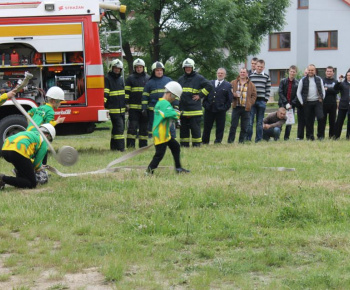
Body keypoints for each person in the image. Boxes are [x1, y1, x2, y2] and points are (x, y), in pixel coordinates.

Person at [146, 81, 189, 175]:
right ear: (170, 94)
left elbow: (167, 114)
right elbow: (171, 114)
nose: (174, 99)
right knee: (159, 155)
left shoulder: (161, 103)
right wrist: (178, 113)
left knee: (176, 146)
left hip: (164, 133)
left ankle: (178, 168)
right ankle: (149, 172)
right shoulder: (164, 103)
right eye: (174, 97)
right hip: (161, 134)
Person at [0, 123, 55, 190]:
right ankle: (2, 178)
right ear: (47, 135)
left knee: (23, 178)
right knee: (31, 184)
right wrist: (39, 169)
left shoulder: (31, 133)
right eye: (49, 139)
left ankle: (5, 181)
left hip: (5, 150)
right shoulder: (44, 140)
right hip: (18, 151)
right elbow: (37, 164)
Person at [178, 58, 213, 147]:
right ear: (184, 68)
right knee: (184, 130)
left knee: (195, 129)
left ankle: (196, 145)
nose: (188, 69)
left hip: (195, 110)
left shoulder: (199, 78)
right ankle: (184, 145)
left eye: (189, 67)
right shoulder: (181, 79)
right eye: (186, 67)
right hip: (184, 110)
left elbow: (209, 86)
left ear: (193, 67)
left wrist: (200, 95)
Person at [142, 61, 174, 138]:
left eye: (161, 70)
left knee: (169, 126)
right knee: (154, 126)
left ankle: (171, 140)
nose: (159, 72)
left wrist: (175, 106)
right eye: (157, 70)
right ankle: (153, 140)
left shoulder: (169, 80)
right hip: (153, 109)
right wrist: (144, 108)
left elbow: (174, 94)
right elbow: (145, 96)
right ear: (153, 71)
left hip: (166, 109)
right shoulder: (149, 82)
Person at [202, 68, 233, 144]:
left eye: (222, 73)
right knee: (207, 126)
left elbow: (229, 99)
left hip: (220, 110)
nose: (220, 74)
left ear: (225, 75)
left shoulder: (228, 85)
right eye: (219, 73)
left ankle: (218, 141)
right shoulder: (210, 83)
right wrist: (205, 105)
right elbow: (205, 95)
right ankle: (205, 141)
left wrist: (224, 108)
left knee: (220, 127)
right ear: (216, 74)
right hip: (209, 109)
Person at [125, 58, 150, 148]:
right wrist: (126, 104)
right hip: (133, 109)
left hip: (144, 108)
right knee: (132, 127)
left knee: (144, 128)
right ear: (134, 68)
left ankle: (143, 146)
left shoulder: (148, 78)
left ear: (143, 68)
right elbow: (127, 93)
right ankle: (130, 146)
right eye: (137, 67)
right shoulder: (130, 78)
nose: (139, 69)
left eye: (140, 67)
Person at [227, 67, 257, 143]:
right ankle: (230, 141)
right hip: (236, 106)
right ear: (239, 73)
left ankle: (241, 141)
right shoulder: (233, 82)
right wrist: (233, 95)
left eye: (244, 72)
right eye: (241, 72)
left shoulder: (251, 84)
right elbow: (228, 92)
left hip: (246, 108)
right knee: (233, 125)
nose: (242, 74)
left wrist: (250, 103)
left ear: (247, 74)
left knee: (244, 126)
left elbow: (254, 95)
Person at [296, 64, 325, 140]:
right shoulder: (303, 80)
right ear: (307, 71)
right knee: (309, 120)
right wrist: (302, 102)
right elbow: (298, 92)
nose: (310, 71)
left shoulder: (319, 79)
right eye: (309, 70)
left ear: (315, 71)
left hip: (317, 102)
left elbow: (323, 90)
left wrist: (322, 98)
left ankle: (320, 135)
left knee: (321, 118)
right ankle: (310, 136)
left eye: (312, 70)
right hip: (307, 103)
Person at [247, 59, 271, 143]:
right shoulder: (250, 76)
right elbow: (248, 89)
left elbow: (268, 89)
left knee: (259, 122)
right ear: (255, 66)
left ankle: (258, 139)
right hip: (252, 102)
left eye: (261, 67)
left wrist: (265, 100)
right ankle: (248, 139)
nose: (259, 68)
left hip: (261, 101)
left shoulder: (267, 77)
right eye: (258, 66)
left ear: (264, 67)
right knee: (250, 121)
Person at [104, 59, 126, 151]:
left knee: (116, 130)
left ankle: (113, 148)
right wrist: (103, 106)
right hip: (113, 109)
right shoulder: (108, 78)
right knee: (119, 129)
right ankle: (121, 148)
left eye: (119, 69)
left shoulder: (121, 79)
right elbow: (105, 93)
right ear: (111, 68)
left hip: (122, 109)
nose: (117, 70)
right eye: (115, 68)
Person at [278, 65, 299, 140]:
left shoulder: (297, 83)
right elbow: (280, 92)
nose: (292, 73)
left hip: (291, 106)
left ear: (296, 73)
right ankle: (277, 136)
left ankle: (286, 137)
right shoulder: (283, 81)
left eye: (294, 72)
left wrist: (291, 104)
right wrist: (286, 103)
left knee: (289, 122)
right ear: (288, 72)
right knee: (280, 121)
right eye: (291, 71)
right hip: (283, 104)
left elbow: (298, 94)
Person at [319, 66, 339, 139]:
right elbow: (321, 90)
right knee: (322, 121)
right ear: (325, 72)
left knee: (332, 121)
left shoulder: (336, 81)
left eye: (330, 71)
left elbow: (336, 91)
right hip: (323, 103)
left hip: (333, 104)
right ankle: (321, 136)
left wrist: (327, 89)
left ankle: (332, 136)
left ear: (333, 73)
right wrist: (331, 90)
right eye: (327, 71)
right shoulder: (322, 80)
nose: (329, 73)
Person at [333, 71, 350, 139]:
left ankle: (348, 136)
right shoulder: (343, 84)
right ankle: (336, 136)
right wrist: (339, 81)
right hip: (343, 105)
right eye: (348, 75)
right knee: (339, 121)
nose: (349, 76)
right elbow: (335, 88)